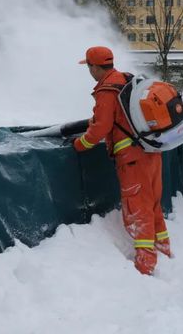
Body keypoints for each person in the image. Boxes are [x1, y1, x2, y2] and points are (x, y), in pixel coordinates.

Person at [72, 46, 170, 275]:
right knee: (153, 203)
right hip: (151, 150)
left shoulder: (107, 90)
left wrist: (80, 145)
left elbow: (101, 128)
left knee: (139, 208)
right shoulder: (126, 80)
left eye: (88, 66)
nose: (89, 71)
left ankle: (146, 264)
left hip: (132, 159)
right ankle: (163, 249)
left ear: (95, 67)